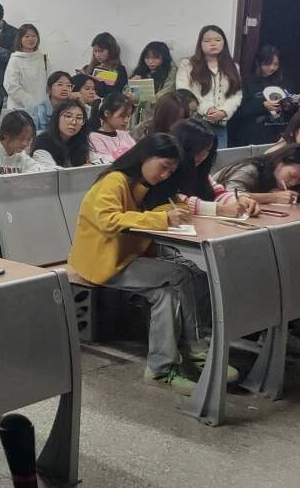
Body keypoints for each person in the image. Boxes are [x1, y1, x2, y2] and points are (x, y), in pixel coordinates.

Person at [68, 134, 215, 392]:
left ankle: (160, 369)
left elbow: (172, 207)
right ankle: (198, 348)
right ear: (145, 156)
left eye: (171, 171)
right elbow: (109, 220)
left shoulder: (150, 185)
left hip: (128, 258)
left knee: (168, 294)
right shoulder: (114, 181)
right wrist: (163, 219)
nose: (165, 175)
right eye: (163, 167)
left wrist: (166, 213)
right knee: (182, 274)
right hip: (103, 262)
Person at [171, 120, 258, 218]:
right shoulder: (169, 170)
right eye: (199, 149)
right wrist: (219, 209)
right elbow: (176, 201)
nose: (204, 155)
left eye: (208, 150)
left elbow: (217, 193)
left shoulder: (200, 169)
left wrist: (240, 200)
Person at [175, 24, 241, 144]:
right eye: (207, 40)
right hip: (195, 122)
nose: (213, 43)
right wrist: (207, 109)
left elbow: (236, 94)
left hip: (221, 123)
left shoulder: (233, 66)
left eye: (217, 40)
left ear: (224, 43)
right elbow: (184, 91)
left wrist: (224, 111)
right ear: (200, 44)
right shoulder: (187, 65)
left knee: (219, 154)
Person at [231, 45, 294, 146]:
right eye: (267, 64)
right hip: (252, 135)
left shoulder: (283, 83)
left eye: (276, 64)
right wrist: (262, 105)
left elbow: (291, 112)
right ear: (259, 63)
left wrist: (290, 105)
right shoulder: (248, 83)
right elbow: (238, 112)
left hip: (277, 134)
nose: (272, 68)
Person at [214, 145, 300, 205]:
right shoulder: (249, 169)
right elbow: (232, 196)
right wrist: (273, 197)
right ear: (279, 162)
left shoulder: (276, 178)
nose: (293, 183)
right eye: (292, 175)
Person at [31, 99, 99, 169]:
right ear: (57, 118)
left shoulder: (80, 141)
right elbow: (52, 172)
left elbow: (100, 160)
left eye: (79, 118)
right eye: (68, 116)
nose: (74, 122)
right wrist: (82, 169)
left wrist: (92, 165)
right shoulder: (42, 143)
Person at [0, 110, 48, 175]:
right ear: (6, 135)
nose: (25, 143)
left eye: (29, 139)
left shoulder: (20, 155)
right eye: (21, 138)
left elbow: (39, 170)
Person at [3, 24, 46, 112]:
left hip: (41, 107)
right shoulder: (15, 59)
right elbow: (11, 86)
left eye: (34, 36)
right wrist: (31, 102)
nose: (31, 39)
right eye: (27, 36)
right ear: (20, 39)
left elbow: (48, 83)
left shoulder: (42, 58)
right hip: (19, 108)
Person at [88, 92, 137, 162]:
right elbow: (106, 162)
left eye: (128, 116)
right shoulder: (94, 137)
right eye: (122, 116)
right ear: (107, 113)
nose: (126, 120)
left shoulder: (124, 134)